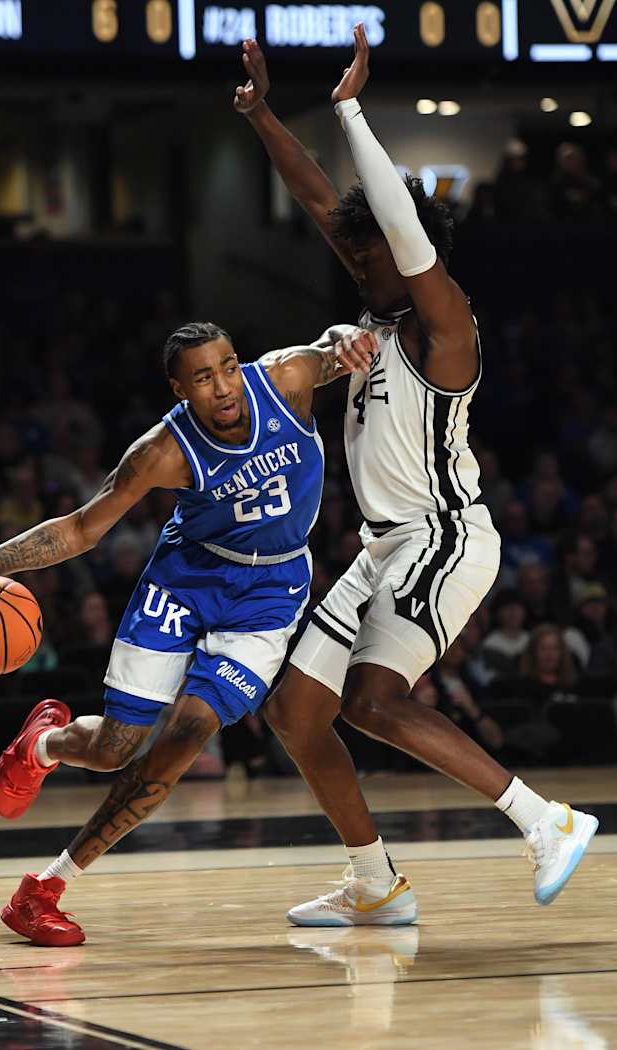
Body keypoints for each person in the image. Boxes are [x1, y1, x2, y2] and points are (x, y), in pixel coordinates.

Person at [231, 26, 597, 924]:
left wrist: (350, 108)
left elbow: (392, 221)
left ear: (411, 251)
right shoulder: (374, 320)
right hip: (382, 548)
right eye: (353, 256)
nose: (356, 261)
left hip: (444, 537)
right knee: (296, 713)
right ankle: (376, 884)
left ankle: (545, 818)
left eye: (372, 252)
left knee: (373, 703)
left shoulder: (447, 327)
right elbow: (325, 201)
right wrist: (266, 117)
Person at [0, 319, 376, 945]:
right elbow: (82, 529)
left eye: (227, 367)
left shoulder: (286, 379)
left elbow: (340, 349)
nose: (223, 386)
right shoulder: (161, 452)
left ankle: (43, 890)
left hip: (269, 594)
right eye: (203, 378)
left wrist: (347, 336)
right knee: (116, 747)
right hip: (185, 581)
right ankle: (45, 744)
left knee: (190, 729)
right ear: (180, 390)